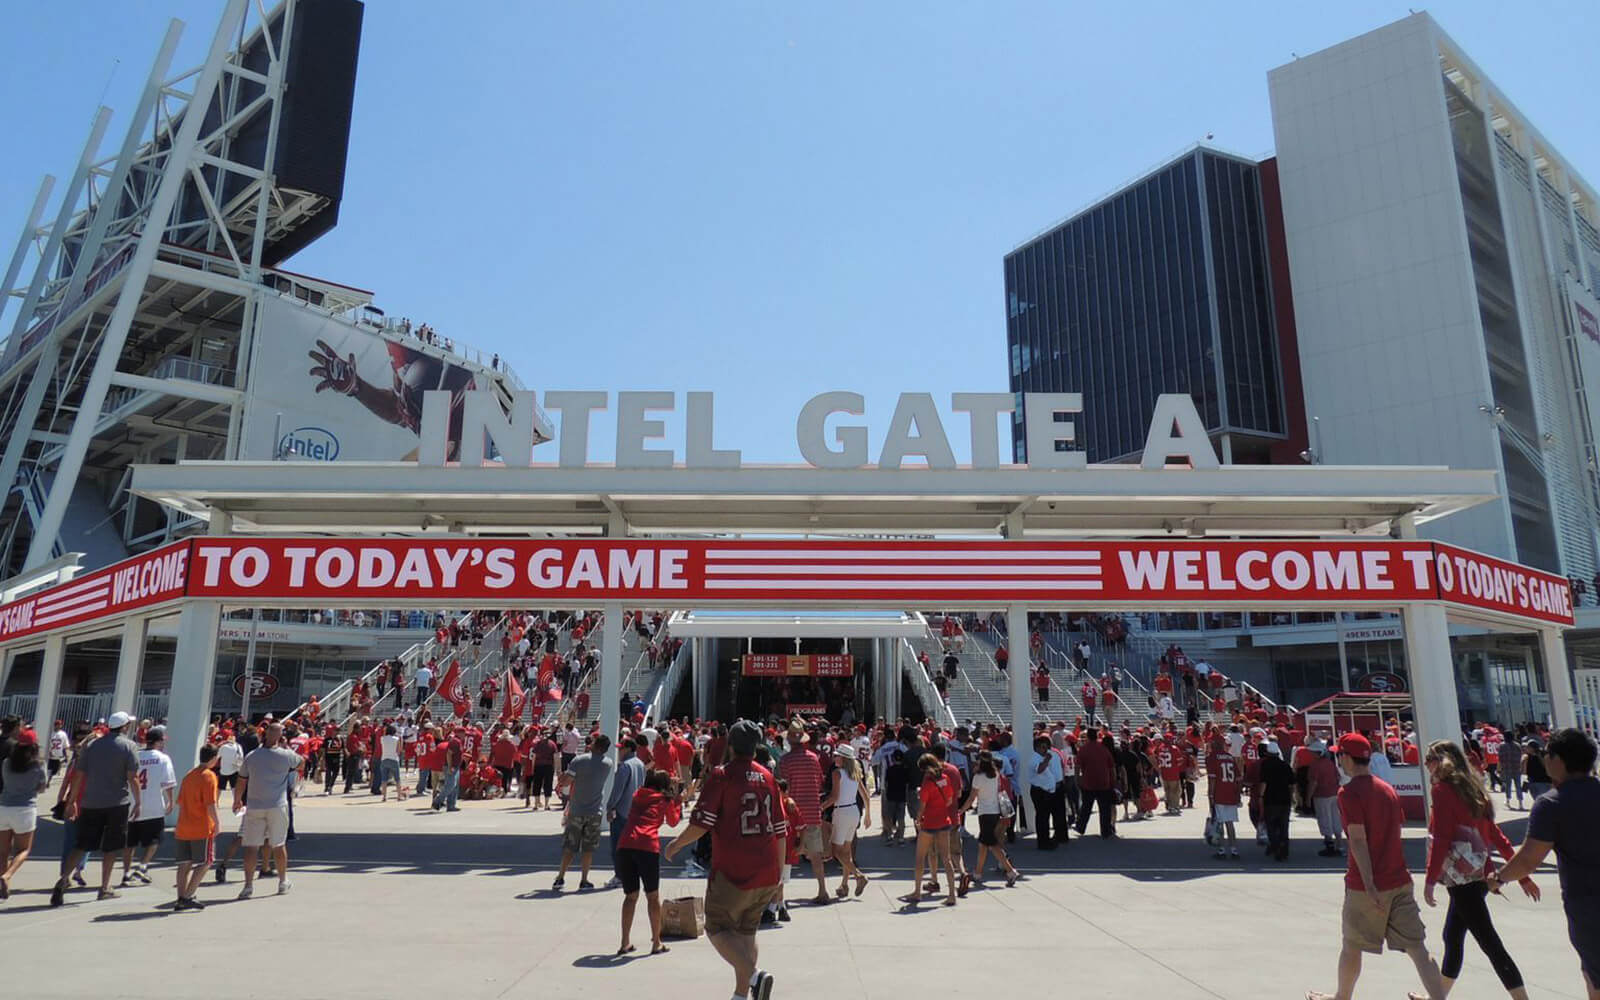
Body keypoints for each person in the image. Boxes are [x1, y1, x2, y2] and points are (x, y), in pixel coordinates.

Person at [1305, 733, 1447, 1000]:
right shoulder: (1388, 790)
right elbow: (1396, 829)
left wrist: (1369, 882)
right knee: (1418, 948)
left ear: (1347, 758)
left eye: (1340, 755)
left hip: (1366, 885)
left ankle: (1342, 997)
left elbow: (1358, 840)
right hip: (1399, 879)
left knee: (1352, 945)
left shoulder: (1348, 793)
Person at [664, 720, 784, 1000]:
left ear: (730, 745)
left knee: (716, 926)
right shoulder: (768, 777)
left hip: (733, 869)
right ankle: (741, 994)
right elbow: (781, 829)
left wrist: (677, 843)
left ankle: (755, 977)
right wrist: (779, 873)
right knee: (746, 931)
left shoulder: (721, 776)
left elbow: (701, 824)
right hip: (766, 868)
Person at [1489, 728, 1600, 997]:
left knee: (1595, 976)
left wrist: (1498, 877)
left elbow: (1528, 860)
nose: (1544, 758)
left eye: (1547, 753)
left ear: (1559, 760)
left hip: (1588, 906)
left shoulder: (1551, 804)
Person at [1420, 740, 1536, 1000]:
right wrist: (1523, 877)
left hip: (1461, 878)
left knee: (1489, 943)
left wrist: (1429, 879)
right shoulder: (1473, 788)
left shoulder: (1443, 790)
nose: (1426, 765)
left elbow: (1441, 837)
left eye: (1429, 759)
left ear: (1441, 761)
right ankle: (1437, 996)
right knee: (1453, 935)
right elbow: (1496, 835)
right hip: (1478, 875)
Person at [51, 710, 142, 906]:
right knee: (111, 847)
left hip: (91, 802)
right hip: (117, 803)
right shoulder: (129, 746)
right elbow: (132, 777)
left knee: (81, 844)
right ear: (125, 727)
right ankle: (105, 887)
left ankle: (63, 880)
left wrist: (72, 800)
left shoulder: (91, 746)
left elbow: (79, 775)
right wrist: (139, 801)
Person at [616, 768, 683, 956]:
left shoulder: (638, 795)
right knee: (652, 897)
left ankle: (624, 943)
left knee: (630, 896)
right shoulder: (665, 800)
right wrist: (677, 800)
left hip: (625, 844)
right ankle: (656, 942)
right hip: (647, 845)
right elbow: (673, 821)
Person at [234, 722, 304, 899]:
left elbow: (242, 779)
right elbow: (302, 763)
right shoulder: (286, 755)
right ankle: (282, 881)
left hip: (255, 805)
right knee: (278, 845)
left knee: (251, 847)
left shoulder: (252, 756)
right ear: (280, 737)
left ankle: (248, 885)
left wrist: (237, 800)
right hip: (277, 805)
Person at [777, 721, 829, 905]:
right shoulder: (813, 758)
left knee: (784, 857)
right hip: (813, 811)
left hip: (793, 814)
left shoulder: (785, 761)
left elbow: (783, 788)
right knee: (816, 856)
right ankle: (823, 890)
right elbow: (819, 782)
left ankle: (778, 898)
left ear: (789, 741)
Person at [554, 734, 613, 892]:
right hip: (595, 811)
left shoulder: (579, 760)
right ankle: (584, 879)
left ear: (595, 744)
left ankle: (560, 877)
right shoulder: (608, 763)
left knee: (570, 847)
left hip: (577, 809)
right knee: (588, 848)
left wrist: (561, 776)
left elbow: (566, 782)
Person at [903, 752, 959, 907]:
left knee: (920, 857)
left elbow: (921, 807)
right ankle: (952, 895)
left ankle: (917, 892)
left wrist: (917, 819)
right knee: (946, 859)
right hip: (944, 821)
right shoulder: (945, 779)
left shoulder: (927, 784)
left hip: (929, 823)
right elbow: (949, 800)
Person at [0, 729, 47, 900]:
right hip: (25, 809)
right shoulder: (38, 765)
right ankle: (7, 876)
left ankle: (4, 884)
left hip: (4, 807)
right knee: (23, 849)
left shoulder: (7, 762)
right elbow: (42, 787)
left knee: (3, 851)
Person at [127, 726, 177, 886]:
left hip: (133, 803)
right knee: (154, 840)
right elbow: (168, 783)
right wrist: (170, 800)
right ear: (158, 741)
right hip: (154, 804)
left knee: (130, 842)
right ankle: (143, 866)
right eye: (162, 740)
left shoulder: (136, 756)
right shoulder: (163, 758)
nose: (163, 743)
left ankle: (126, 873)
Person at [172, 744, 221, 910]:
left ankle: (181, 896)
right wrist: (217, 823)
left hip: (183, 825)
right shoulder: (209, 776)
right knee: (206, 862)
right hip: (201, 826)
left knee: (183, 864)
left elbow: (181, 801)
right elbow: (210, 804)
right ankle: (188, 894)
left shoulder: (189, 775)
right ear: (213, 758)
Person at [960, 750, 1019, 888]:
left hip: (985, 812)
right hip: (994, 811)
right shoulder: (995, 774)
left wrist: (962, 809)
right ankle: (978, 873)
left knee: (992, 844)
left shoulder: (978, 777)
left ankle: (1011, 871)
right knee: (984, 844)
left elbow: (972, 797)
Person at [821, 744, 870, 899]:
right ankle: (844, 884)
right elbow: (865, 795)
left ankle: (858, 876)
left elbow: (834, 797)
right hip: (853, 811)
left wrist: (821, 807)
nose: (834, 757)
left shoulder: (837, 773)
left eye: (837, 755)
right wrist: (868, 815)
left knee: (836, 851)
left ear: (843, 758)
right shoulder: (855, 773)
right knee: (846, 852)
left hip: (842, 812)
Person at [606, 734, 648, 891]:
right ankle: (631, 874)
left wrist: (610, 807)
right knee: (632, 846)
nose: (620, 751)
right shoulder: (640, 764)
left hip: (622, 812)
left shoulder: (625, 766)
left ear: (629, 749)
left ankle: (620, 876)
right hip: (635, 811)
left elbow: (618, 791)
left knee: (618, 846)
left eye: (622, 748)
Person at [1075, 728, 1117, 839]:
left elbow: (1077, 766)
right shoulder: (1104, 749)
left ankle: (1080, 827)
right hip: (1104, 782)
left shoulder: (1083, 750)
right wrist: (1113, 781)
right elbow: (1111, 767)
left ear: (1088, 737)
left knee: (1086, 807)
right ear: (1097, 736)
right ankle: (1106, 831)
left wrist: (1077, 779)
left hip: (1088, 782)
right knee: (1104, 809)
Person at [1257, 740, 1296, 861]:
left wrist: (1260, 796)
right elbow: (1292, 784)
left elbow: (1263, 782)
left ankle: (1275, 847)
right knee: (1284, 827)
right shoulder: (1285, 765)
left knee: (1272, 826)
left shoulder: (1265, 765)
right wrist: (1292, 796)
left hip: (1270, 800)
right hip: (1285, 800)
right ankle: (1284, 850)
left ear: (1268, 753)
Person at [1208, 737, 1243, 860]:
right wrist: (1238, 795)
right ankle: (1234, 850)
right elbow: (1239, 779)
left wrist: (1211, 795)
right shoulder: (1230, 757)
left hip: (1219, 794)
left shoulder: (1213, 758)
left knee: (1220, 823)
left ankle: (1222, 850)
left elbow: (1212, 779)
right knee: (1230, 823)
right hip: (1231, 793)